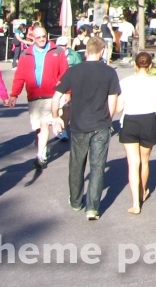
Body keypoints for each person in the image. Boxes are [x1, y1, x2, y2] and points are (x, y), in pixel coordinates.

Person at [50, 36, 119, 221]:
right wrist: (108, 119)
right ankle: (93, 208)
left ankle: (75, 200)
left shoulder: (74, 71)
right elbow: (112, 100)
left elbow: (56, 96)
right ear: (102, 51)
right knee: (97, 167)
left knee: (76, 164)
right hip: (100, 125)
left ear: (86, 51)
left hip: (79, 125)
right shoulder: (109, 72)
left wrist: (56, 117)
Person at [6, 25, 68, 168]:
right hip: (34, 96)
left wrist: (67, 92)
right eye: (38, 37)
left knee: (44, 124)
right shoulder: (25, 54)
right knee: (38, 128)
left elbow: (65, 74)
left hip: (51, 95)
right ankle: (43, 148)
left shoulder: (57, 51)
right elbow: (20, 76)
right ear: (32, 38)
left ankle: (40, 155)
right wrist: (14, 94)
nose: (42, 39)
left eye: (44, 36)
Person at [116, 52, 156, 214]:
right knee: (145, 160)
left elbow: (118, 108)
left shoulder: (125, 83)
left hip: (130, 120)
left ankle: (136, 203)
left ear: (135, 65)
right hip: (148, 120)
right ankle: (143, 191)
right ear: (150, 65)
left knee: (133, 163)